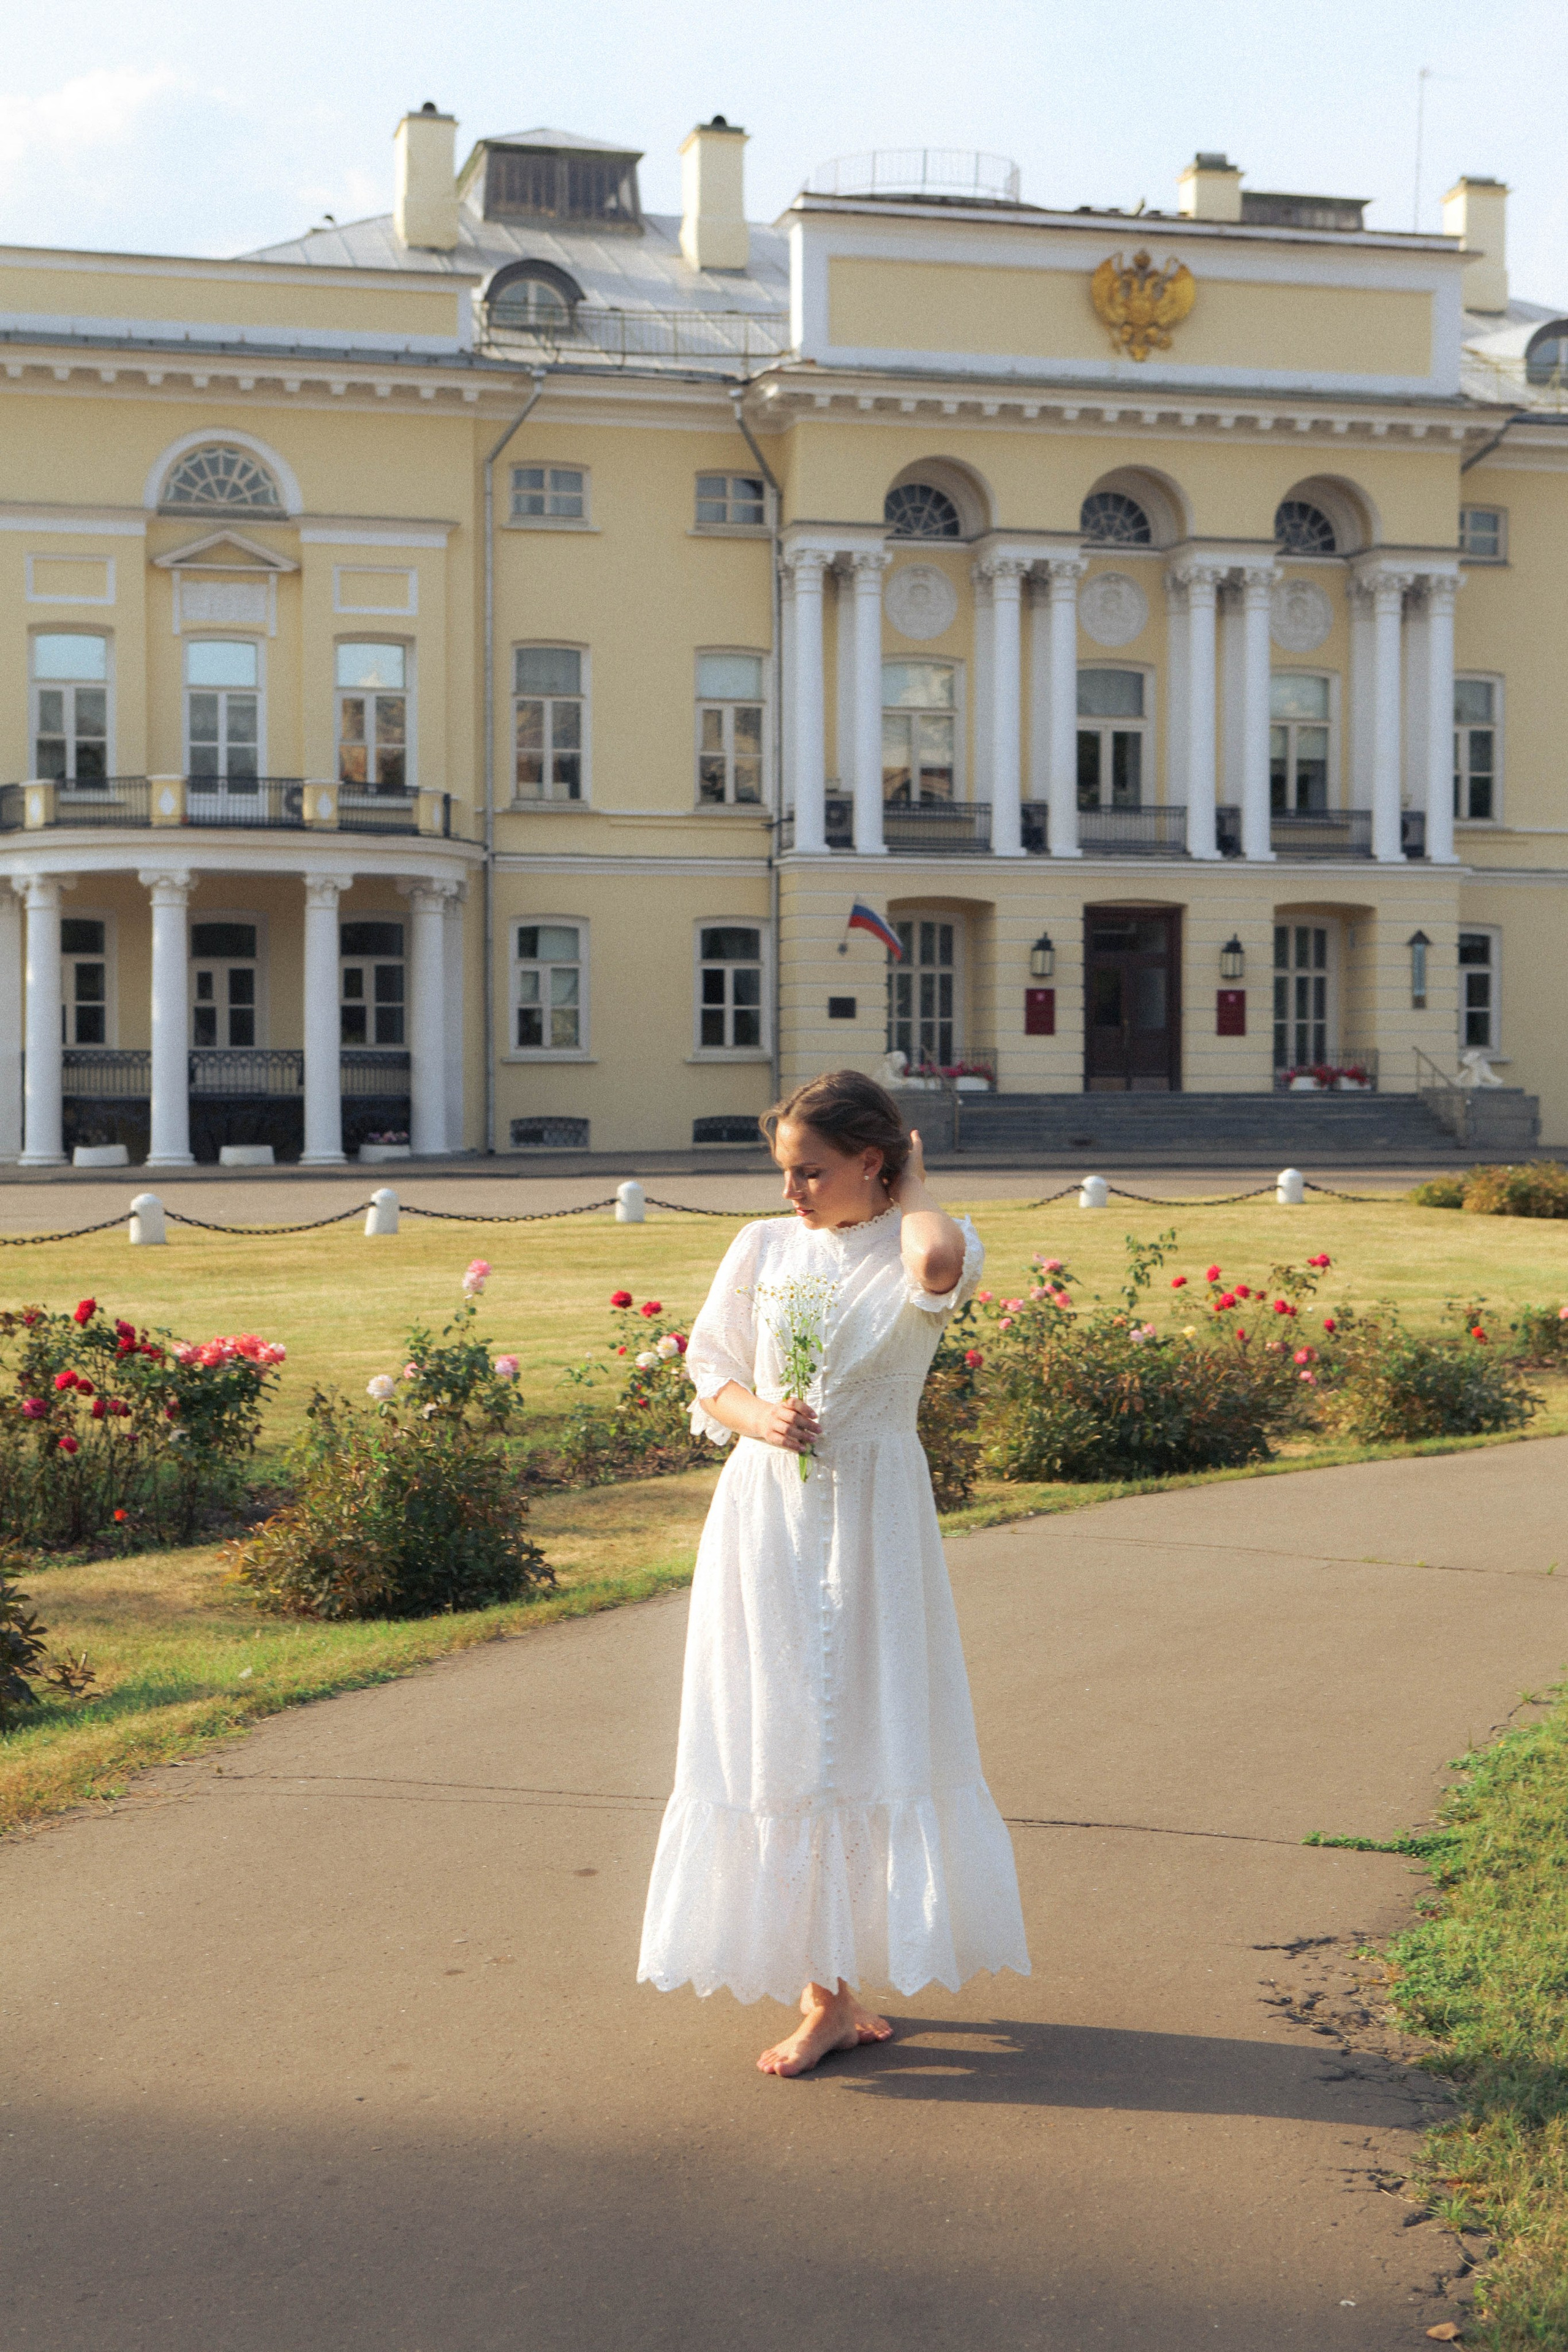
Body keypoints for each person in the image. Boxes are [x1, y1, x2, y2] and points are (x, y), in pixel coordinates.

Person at [636, 1069, 1030, 2076]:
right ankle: (828, 1994)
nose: (791, 1193)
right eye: (783, 1172)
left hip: (875, 1518)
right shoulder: (763, 1247)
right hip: (766, 1516)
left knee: (862, 1725)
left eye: (810, 1172)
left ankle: (838, 1989)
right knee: (778, 1732)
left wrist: (918, 1178)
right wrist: (758, 1416)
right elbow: (710, 1368)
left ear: (871, 1162)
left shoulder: (924, 1243)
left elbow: (937, 1261)